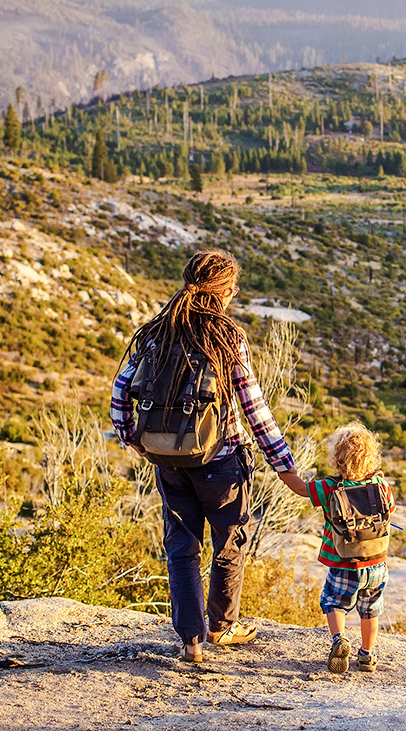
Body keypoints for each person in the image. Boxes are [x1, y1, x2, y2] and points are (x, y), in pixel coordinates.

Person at [110, 250, 305, 662]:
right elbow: (253, 406)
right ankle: (222, 625)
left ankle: (191, 642)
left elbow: (121, 390)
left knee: (181, 547)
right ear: (224, 291)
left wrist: (136, 441)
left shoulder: (155, 332)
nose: (235, 293)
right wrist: (284, 465)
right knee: (230, 540)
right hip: (221, 459)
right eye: (233, 287)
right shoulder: (225, 336)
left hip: (168, 460)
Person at [279, 422, 394, 674]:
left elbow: (300, 488)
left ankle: (339, 639)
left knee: (334, 602)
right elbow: (391, 509)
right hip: (376, 562)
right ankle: (367, 655)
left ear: (337, 458)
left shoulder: (330, 487)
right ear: (371, 456)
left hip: (343, 563)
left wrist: (282, 470)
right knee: (370, 609)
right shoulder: (381, 486)